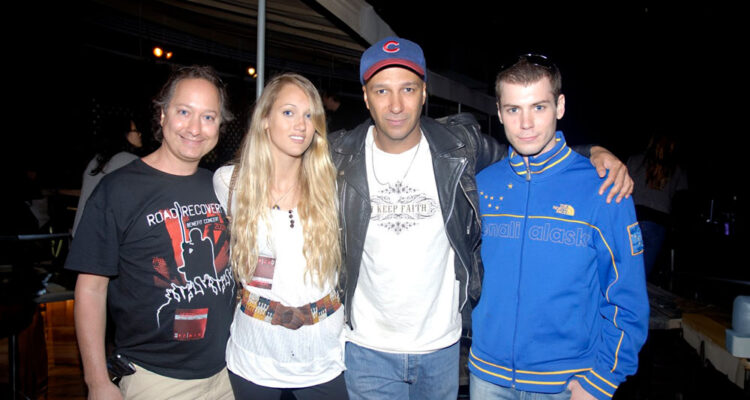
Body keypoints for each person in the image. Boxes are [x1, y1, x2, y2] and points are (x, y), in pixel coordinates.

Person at [328, 37, 634, 400]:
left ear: (424, 93)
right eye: (382, 90)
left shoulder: (460, 150)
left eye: (407, 89)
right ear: (366, 97)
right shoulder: (336, 158)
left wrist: (591, 153)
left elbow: (529, 150)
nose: (396, 104)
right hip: (368, 349)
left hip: (442, 349)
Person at [469, 54, 649, 400]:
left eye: (538, 107)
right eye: (513, 109)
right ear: (499, 112)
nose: (526, 123)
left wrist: (604, 379)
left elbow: (626, 295)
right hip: (487, 378)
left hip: (566, 384)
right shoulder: (481, 185)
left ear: (560, 106)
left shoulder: (603, 187)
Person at [66, 65, 236, 400]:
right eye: (184, 112)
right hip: (156, 380)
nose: (195, 128)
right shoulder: (119, 189)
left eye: (208, 117)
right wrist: (96, 381)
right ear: (162, 115)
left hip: (228, 373)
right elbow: (91, 289)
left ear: (219, 125)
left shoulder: (220, 186)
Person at [213, 73, 347, 399]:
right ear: (265, 120)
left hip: (322, 353)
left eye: (309, 115)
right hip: (255, 352)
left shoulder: (332, 186)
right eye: (288, 112)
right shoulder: (230, 183)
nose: (301, 124)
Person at [626, 133, 687, 277]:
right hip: (658, 222)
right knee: (643, 273)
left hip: (635, 219)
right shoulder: (677, 168)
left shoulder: (635, 160)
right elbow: (681, 199)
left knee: (628, 266)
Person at [72, 115, 144, 235]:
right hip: (104, 238)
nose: (139, 134)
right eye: (135, 130)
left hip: (82, 235)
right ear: (124, 134)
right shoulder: (130, 161)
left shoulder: (95, 161)